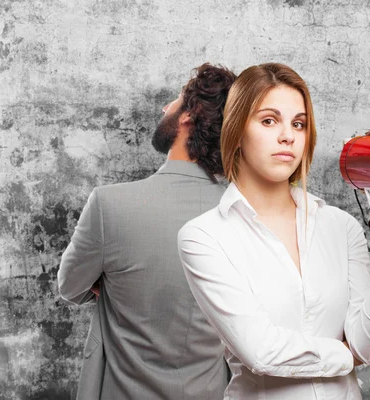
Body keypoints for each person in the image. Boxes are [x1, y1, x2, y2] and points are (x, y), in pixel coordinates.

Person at [177, 63, 370, 399]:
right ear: (236, 131)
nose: (288, 135)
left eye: (299, 123)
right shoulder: (204, 237)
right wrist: (345, 355)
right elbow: (260, 351)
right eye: (268, 120)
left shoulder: (340, 226)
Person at [58, 63, 237, 399]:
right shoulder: (242, 214)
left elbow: (70, 287)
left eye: (175, 99)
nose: (164, 107)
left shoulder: (109, 205)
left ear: (189, 116)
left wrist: (110, 283)